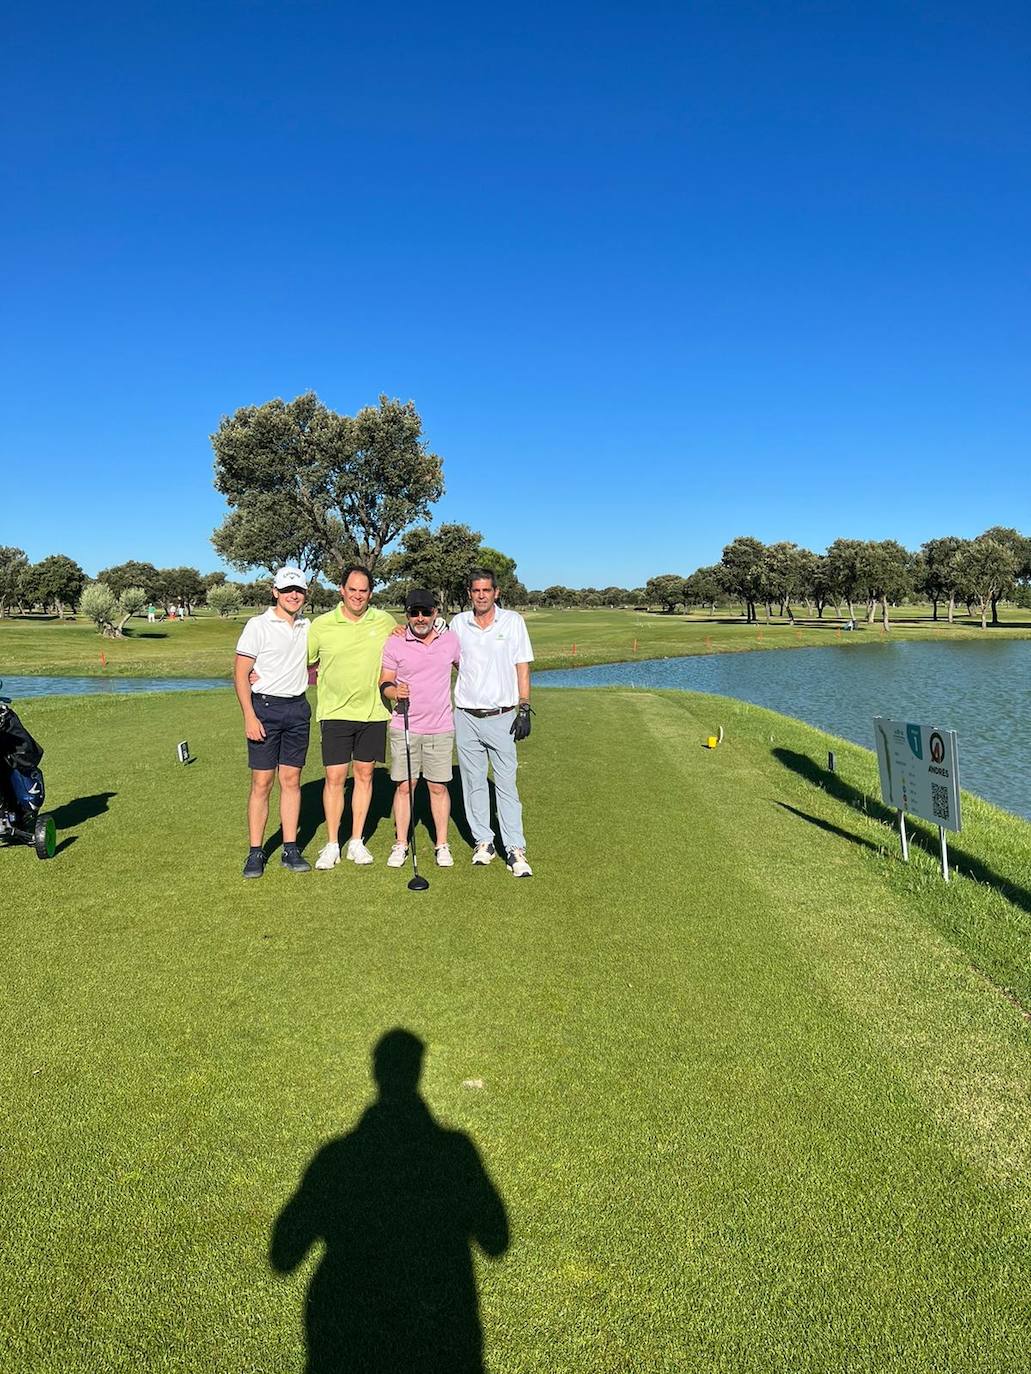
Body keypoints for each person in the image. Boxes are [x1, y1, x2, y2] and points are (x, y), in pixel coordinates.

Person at [308, 566, 398, 869]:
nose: (358, 596)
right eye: (353, 589)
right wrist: (259, 673)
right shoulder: (321, 625)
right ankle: (332, 843)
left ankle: (356, 841)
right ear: (342, 590)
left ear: (370, 593)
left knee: (365, 775)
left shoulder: (384, 621)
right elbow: (300, 662)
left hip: (373, 713)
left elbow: (406, 646)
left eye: (364, 591)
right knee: (335, 778)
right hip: (334, 713)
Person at [450, 568, 535, 877]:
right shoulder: (458, 623)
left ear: (496, 592)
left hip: (502, 716)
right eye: (476, 591)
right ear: (470, 593)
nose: (481, 595)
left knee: (506, 784)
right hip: (466, 715)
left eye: (486, 590)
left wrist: (524, 705)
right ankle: (483, 841)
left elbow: (521, 666)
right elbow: (448, 656)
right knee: (473, 783)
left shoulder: (512, 622)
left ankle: (515, 848)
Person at [233, 567, 312, 878]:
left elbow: (316, 661)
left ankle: (290, 848)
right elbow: (240, 674)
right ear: (275, 592)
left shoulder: (308, 626)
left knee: (291, 781)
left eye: (299, 590)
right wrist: (249, 716)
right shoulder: (257, 625)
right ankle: (255, 851)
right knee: (262, 783)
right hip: (264, 709)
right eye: (288, 589)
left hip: (297, 709)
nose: (294, 595)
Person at [379, 589, 462, 869]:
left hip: (440, 726)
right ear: (407, 615)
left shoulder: (450, 641)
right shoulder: (395, 643)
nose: (420, 617)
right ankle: (401, 843)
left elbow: (471, 670)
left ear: (435, 613)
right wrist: (394, 692)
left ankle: (442, 844)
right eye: (414, 612)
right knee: (406, 786)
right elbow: (384, 682)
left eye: (426, 612)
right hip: (405, 726)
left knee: (438, 787)